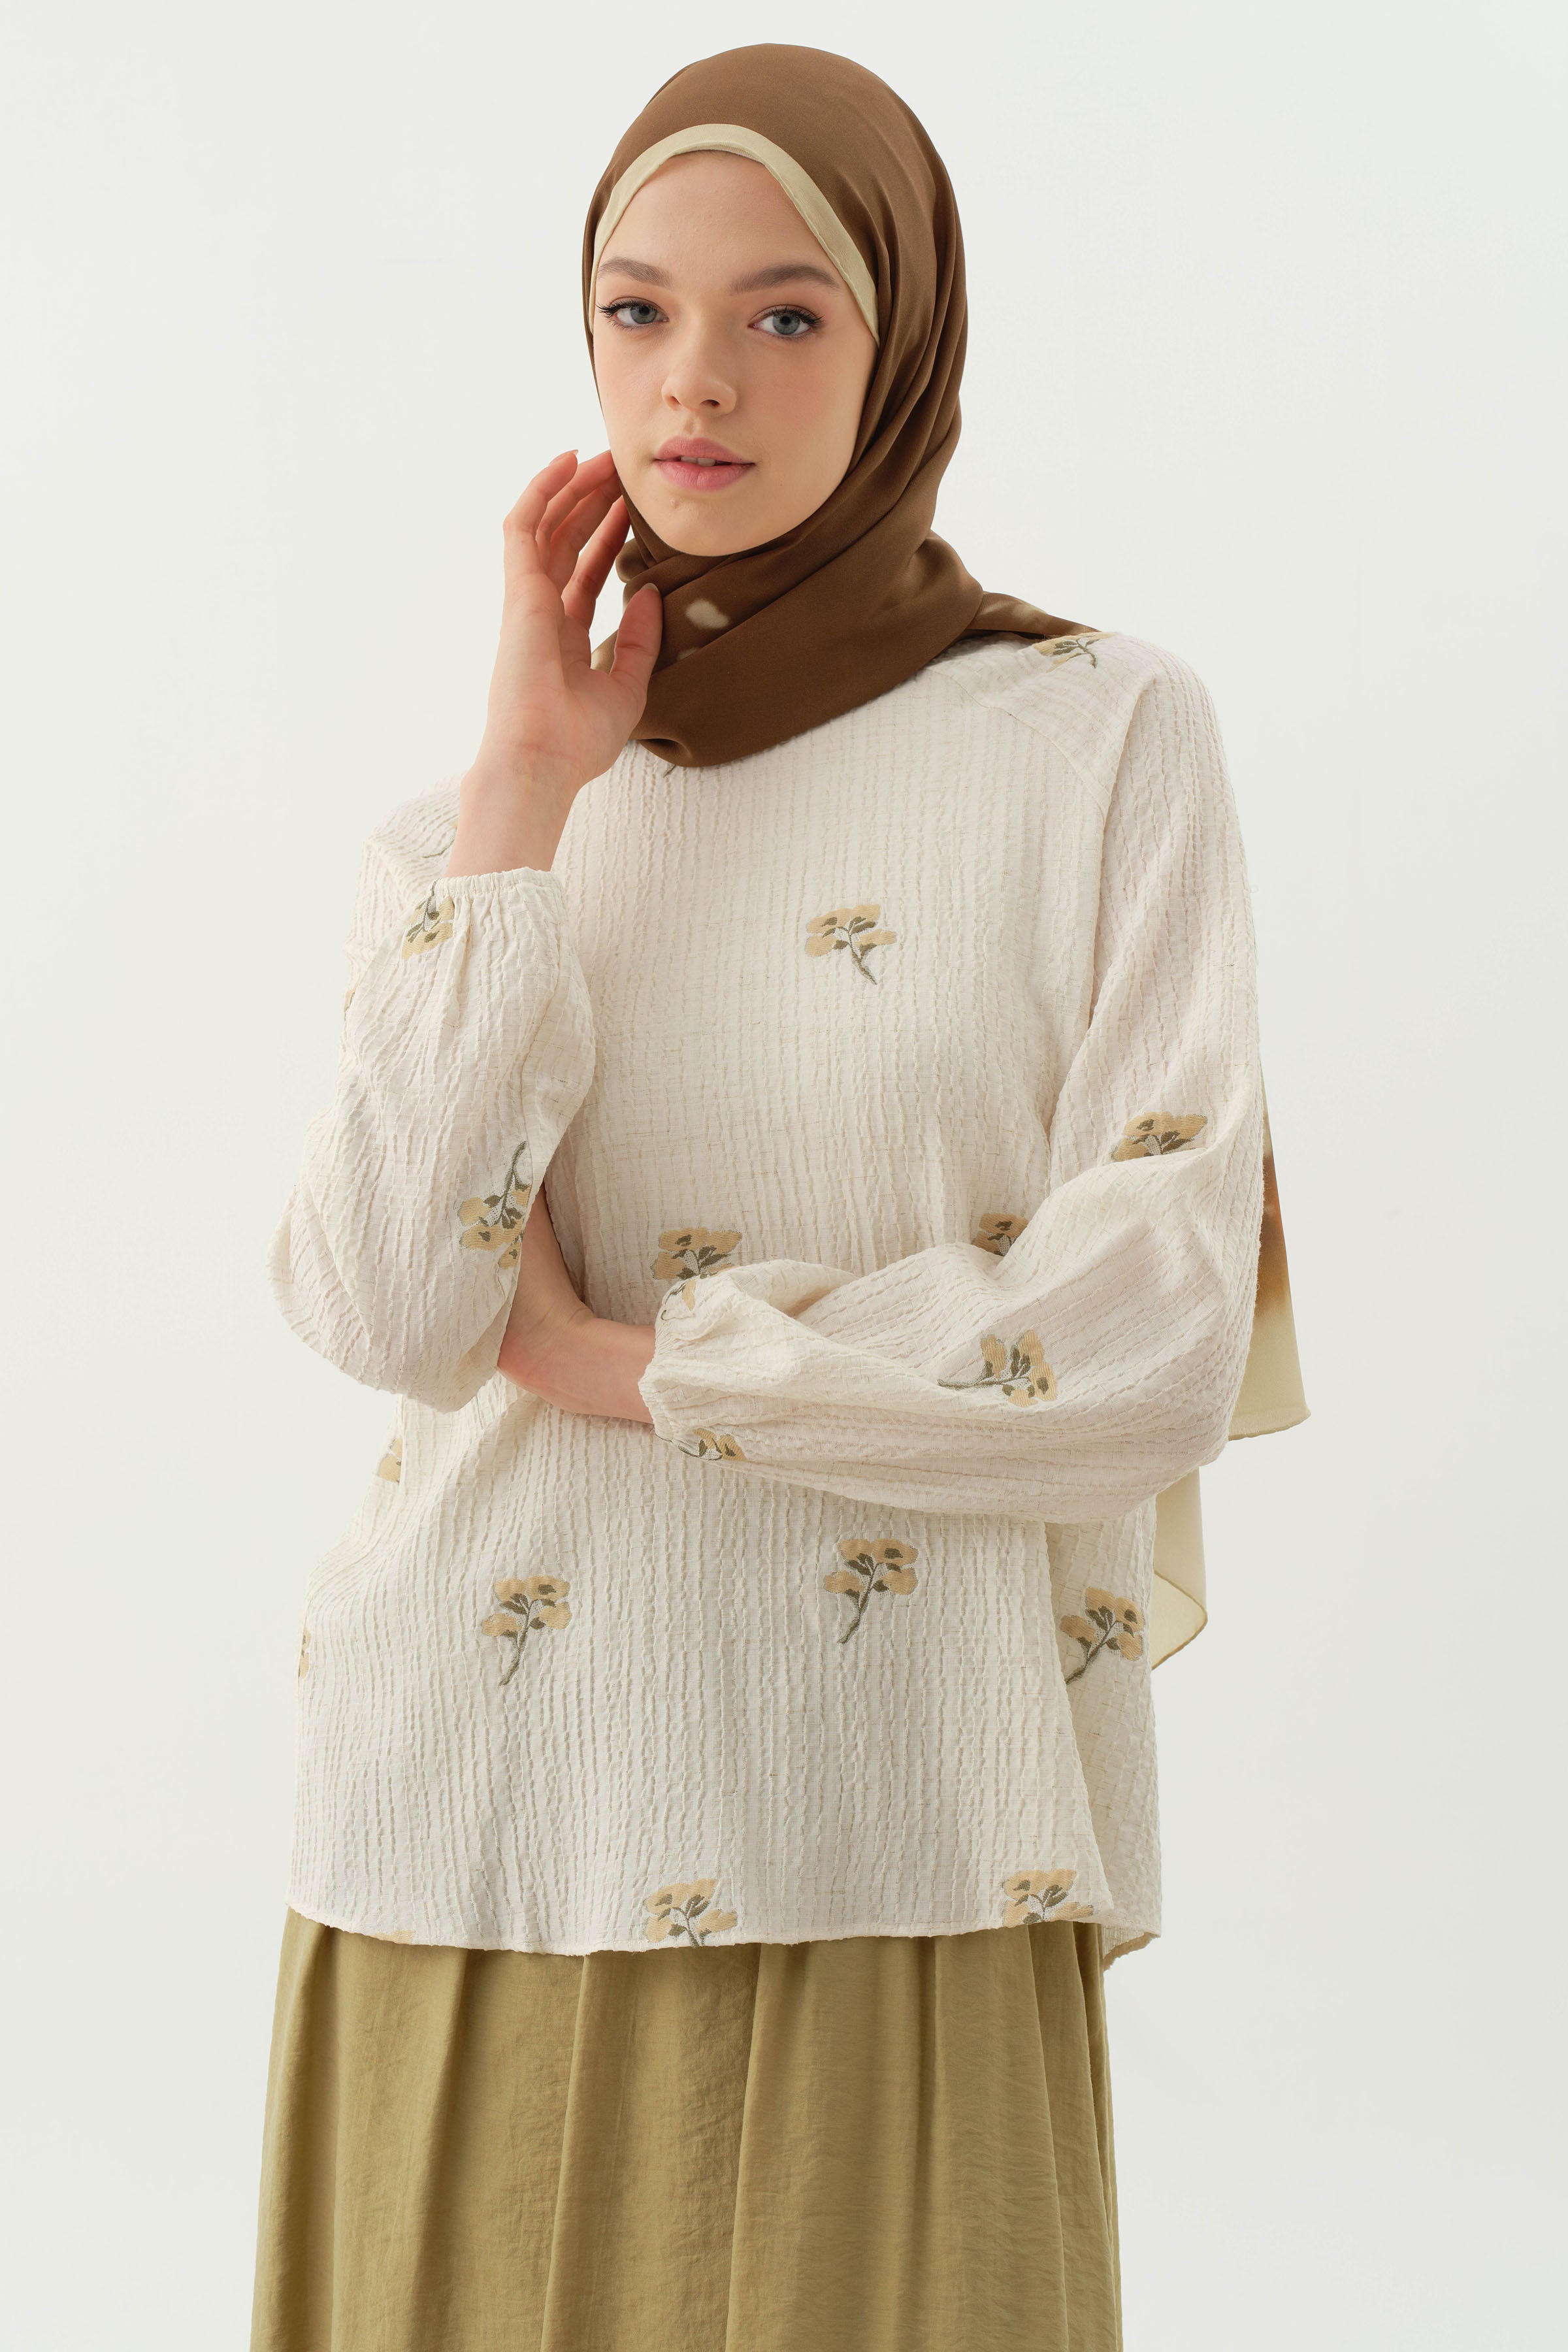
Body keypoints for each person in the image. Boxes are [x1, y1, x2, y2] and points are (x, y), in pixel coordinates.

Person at [251, 41, 1305, 2352]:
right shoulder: (465, 838)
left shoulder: (1100, 736)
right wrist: (526, 791)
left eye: (786, 313)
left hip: (901, 1812)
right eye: (635, 311)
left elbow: (1153, 1338)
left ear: (904, 337)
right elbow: (378, 1307)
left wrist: (631, 1363)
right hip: (478, 1830)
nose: (695, 381)